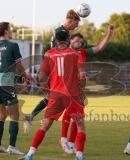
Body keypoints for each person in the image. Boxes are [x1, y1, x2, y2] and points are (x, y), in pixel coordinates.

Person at [20, 29, 86, 160]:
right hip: (72, 95)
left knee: (44, 126)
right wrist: (82, 86)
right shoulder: (74, 54)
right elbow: (82, 76)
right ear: (68, 40)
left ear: (56, 40)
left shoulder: (49, 54)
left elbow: (41, 77)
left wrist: (49, 90)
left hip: (55, 94)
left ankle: (29, 155)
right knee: (80, 125)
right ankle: (79, 156)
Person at [60, 24, 115, 154]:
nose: (78, 41)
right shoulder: (65, 51)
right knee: (70, 111)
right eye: (75, 39)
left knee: (78, 116)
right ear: (70, 41)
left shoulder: (84, 52)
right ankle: (63, 139)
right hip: (68, 86)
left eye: (80, 40)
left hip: (79, 87)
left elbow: (100, 47)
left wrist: (110, 32)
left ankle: (71, 143)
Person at [23, 9, 81, 132]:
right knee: (55, 97)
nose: (76, 27)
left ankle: (33, 117)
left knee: (53, 98)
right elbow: (57, 52)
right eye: (76, 24)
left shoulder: (62, 31)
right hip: (55, 70)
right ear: (71, 21)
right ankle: (35, 118)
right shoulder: (61, 32)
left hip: (54, 68)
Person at [0, 22, 32, 155]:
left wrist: (19, 81)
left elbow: (3, 66)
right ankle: (12, 147)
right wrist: (26, 76)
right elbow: (18, 64)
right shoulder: (13, 45)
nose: (12, 30)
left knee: (2, 114)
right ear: (6, 31)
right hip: (5, 81)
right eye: (10, 29)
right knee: (15, 115)